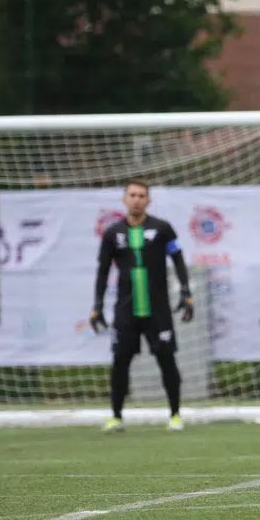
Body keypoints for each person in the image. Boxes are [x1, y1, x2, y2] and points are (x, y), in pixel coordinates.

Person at [90, 180, 194, 432]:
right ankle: (116, 416)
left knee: (166, 360)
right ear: (124, 199)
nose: (136, 199)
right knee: (120, 362)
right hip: (126, 311)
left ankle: (175, 415)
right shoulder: (112, 233)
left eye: (142, 195)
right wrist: (97, 306)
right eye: (132, 195)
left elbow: (178, 260)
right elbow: (103, 272)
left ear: (148, 200)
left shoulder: (162, 228)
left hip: (157, 309)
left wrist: (186, 292)